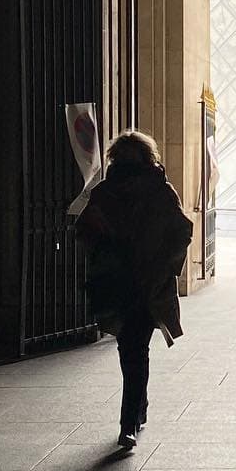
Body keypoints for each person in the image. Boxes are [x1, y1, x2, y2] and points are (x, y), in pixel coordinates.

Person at [72, 129, 193, 454]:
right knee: (135, 349)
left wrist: (103, 253)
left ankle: (129, 422)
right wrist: (165, 266)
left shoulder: (105, 192)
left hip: (121, 282)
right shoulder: (160, 191)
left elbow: (84, 231)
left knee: (132, 349)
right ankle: (137, 409)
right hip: (144, 282)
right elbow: (182, 231)